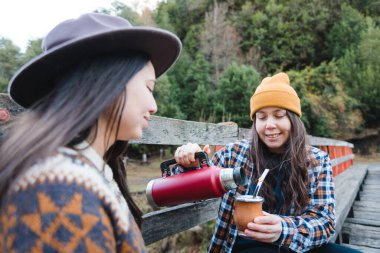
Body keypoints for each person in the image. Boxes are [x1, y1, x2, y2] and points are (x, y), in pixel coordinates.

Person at [0, 13, 181, 252]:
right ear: (109, 83)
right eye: (149, 87)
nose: (154, 106)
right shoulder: (60, 193)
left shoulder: (84, 172)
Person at [174, 73, 361, 253]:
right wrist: (190, 165)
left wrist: (282, 229)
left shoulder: (317, 161)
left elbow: (325, 223)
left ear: (293, 120)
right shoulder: (233, 155)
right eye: (261, 117)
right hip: (243, 246)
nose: (269, 124)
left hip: (293, 245)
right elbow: (189, 193)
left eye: (279, 115)